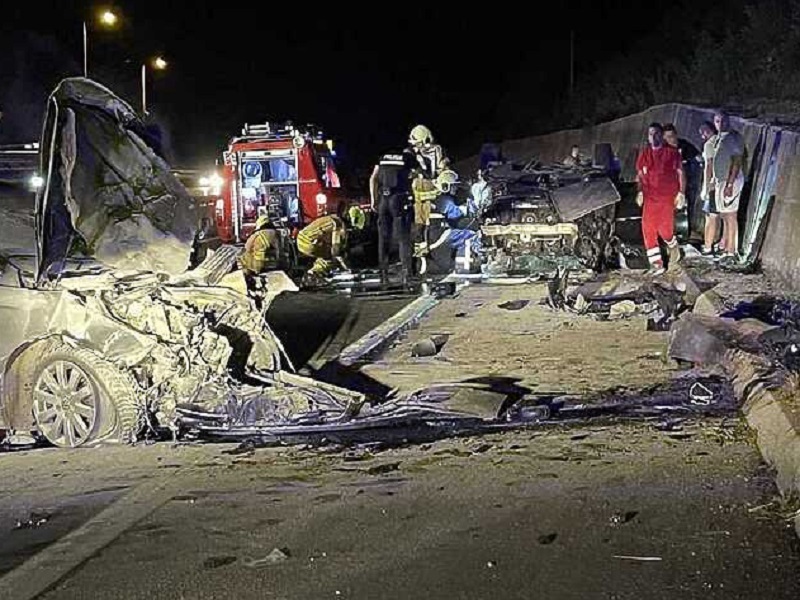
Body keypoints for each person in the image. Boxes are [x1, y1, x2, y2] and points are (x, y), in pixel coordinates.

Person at [635, 122, 685, 273]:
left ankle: (673, 245)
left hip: (666, 197)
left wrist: (681, 193)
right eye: (650, 134)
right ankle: (656, 263)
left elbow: (681, 174)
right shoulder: (644, 154)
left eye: (656, 133)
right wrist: (640, 191)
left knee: (665, 230)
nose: (653, 136)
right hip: (650, 198)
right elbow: (639, 175)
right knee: (648, 229)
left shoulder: (672, 153)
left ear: (661, 136)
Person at [369, 149, 416, 280]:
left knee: (383, 237)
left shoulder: (382, 157)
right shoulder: (406, 157)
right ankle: (407, 271)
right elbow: (415, 176)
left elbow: (373, 178)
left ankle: (383, 270)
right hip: (399, 198)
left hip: (383, 198)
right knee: (403, 237)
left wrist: (373, 199)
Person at [296, 205, 366, 281]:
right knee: (333, 254)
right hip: (309, 242)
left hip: (303, 239)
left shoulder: (334, 218)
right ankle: (314, 274)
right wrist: (348, 268)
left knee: (328, 254)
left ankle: (312, 273)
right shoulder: (339, 224)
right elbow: (336, 250)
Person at [712, 110, 745, 260]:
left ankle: (732, 252)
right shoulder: (720, 138)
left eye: (723, 121)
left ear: (729, 121)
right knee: (725, 215)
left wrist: (730, 184)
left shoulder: (734, 138)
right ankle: (726, 247)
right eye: (718, 121)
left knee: (731, 216)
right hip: (721, 181)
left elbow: (737, 161)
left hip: (730, 181)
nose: (721, 124)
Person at [698, 120, 720, 256]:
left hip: (713, 185)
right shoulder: (723, 141)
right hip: (723, 183)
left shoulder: (709, 145)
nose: (702, 137)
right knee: (721, 216)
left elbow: (709, 166)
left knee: (710, 216)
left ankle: (707, 246)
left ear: (707, 131)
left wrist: (705, 188)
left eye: (702, 133)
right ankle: (721, 243)